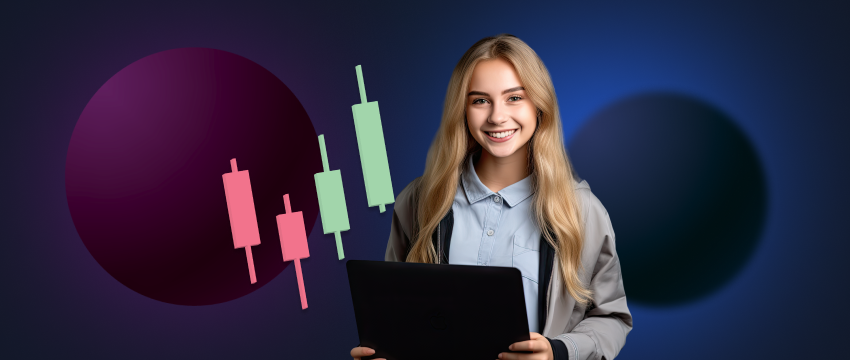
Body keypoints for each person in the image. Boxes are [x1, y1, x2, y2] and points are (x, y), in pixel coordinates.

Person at [351, 34, 632, 360]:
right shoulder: (418, 202)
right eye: (480, 100)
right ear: (463, 109)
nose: (497, 116)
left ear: (539, 104)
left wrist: (559, 351)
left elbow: (611, 318)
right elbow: (396, 315)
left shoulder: (582, 211)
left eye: (514, 98)